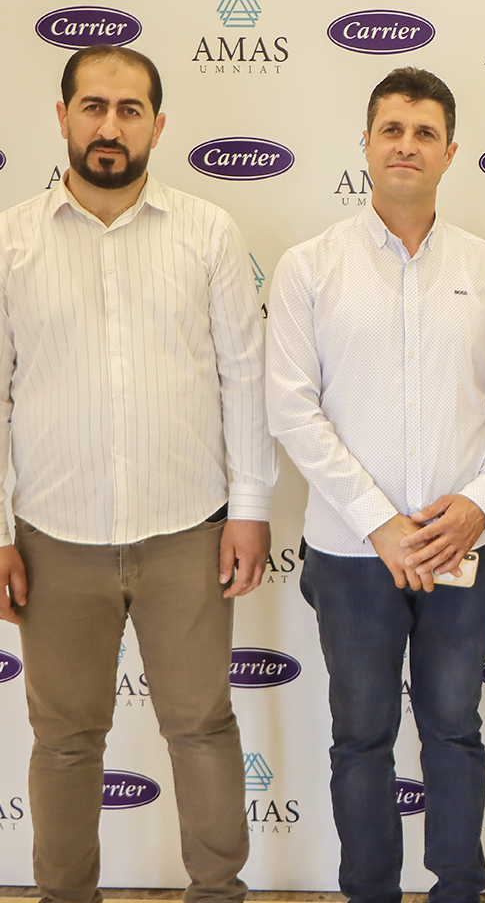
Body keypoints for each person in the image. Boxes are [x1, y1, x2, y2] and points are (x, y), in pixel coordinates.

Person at [0, 46, 275, 903]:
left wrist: (250, 508)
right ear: (62, 117)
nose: (109, 127)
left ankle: (217, 894)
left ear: (157, 124)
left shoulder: (208, 232)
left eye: (128, 111)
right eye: (93, 107)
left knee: (201, 727)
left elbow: (244, 377)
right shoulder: (10, 241)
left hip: (187, 531)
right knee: (64, 741)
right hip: (54, 538)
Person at [266, 67, 485, 903]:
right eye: (392, 129)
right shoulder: (310, 268)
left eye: (424, 132)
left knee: (454, 729)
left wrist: (480, 503)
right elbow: (292, 408)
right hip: (351, 554)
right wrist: (378, 521)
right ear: (367, 145)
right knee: (361, 737)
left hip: (461, 549)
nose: (406, 145)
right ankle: (370, 893)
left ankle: (459, 891)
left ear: (451, 151)